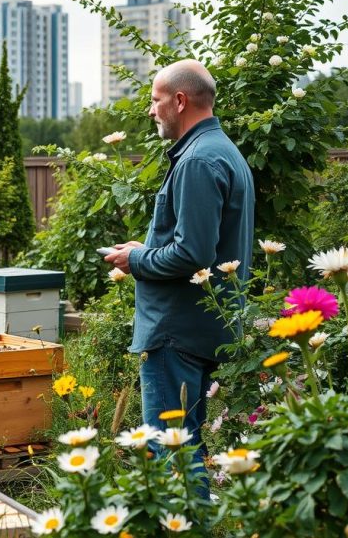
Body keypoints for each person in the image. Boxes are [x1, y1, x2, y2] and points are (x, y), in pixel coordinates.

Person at [104, 59, 255, 490]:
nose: (151, 111)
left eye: (155, 101)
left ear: (180, 100)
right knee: (187, 451)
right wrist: (145, 249)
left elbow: (192, 255)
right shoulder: (221, 151)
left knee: (172, 458)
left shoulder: (198, 161)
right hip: (200, 327)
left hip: (176, 331)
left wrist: (135, 262)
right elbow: (198, 244)